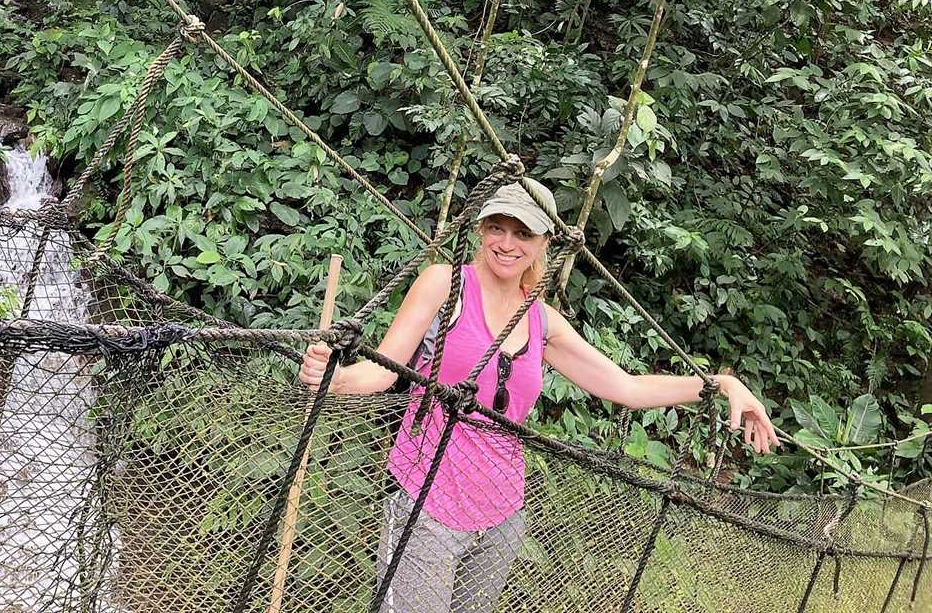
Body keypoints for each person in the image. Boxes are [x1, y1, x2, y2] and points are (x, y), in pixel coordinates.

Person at [298, 178, 777, 613]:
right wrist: (333, 378)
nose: (506, 244)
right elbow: (383, 371)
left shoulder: (541, 320)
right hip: (426, 496)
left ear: (545, 241)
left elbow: (627, 388)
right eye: (497, 228)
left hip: (502, 507)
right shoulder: (445, 286)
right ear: (481, 228)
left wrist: (721, 384)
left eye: (522, 234)